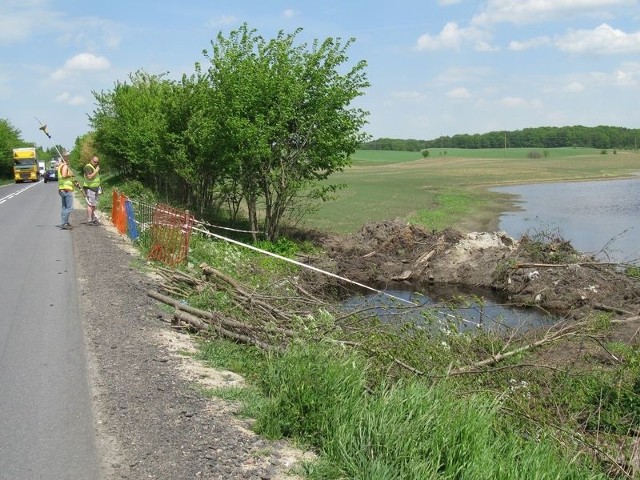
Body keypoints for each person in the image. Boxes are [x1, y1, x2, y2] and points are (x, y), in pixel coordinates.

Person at [57, 151, 75, 230]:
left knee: (64, 207)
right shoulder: (64, 166)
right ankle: (64, 223)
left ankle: (65, 222)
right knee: (70, 208)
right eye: (69, 158)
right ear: (66, 158)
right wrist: (70, 174)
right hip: (66, 189)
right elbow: (64, 175)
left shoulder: (60, 166)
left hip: (62, 189)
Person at [83, 155, 101, 225]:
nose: (96, 163)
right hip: (90, 188)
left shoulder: (93, 167)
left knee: (93, 204)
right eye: (95, 162)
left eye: (97, 162)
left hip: (95, 188)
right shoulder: (88, 167)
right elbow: (89, 177)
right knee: (90, 204)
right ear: (91, 160)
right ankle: (90, 220)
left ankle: (93, 219)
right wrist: (96, 171)